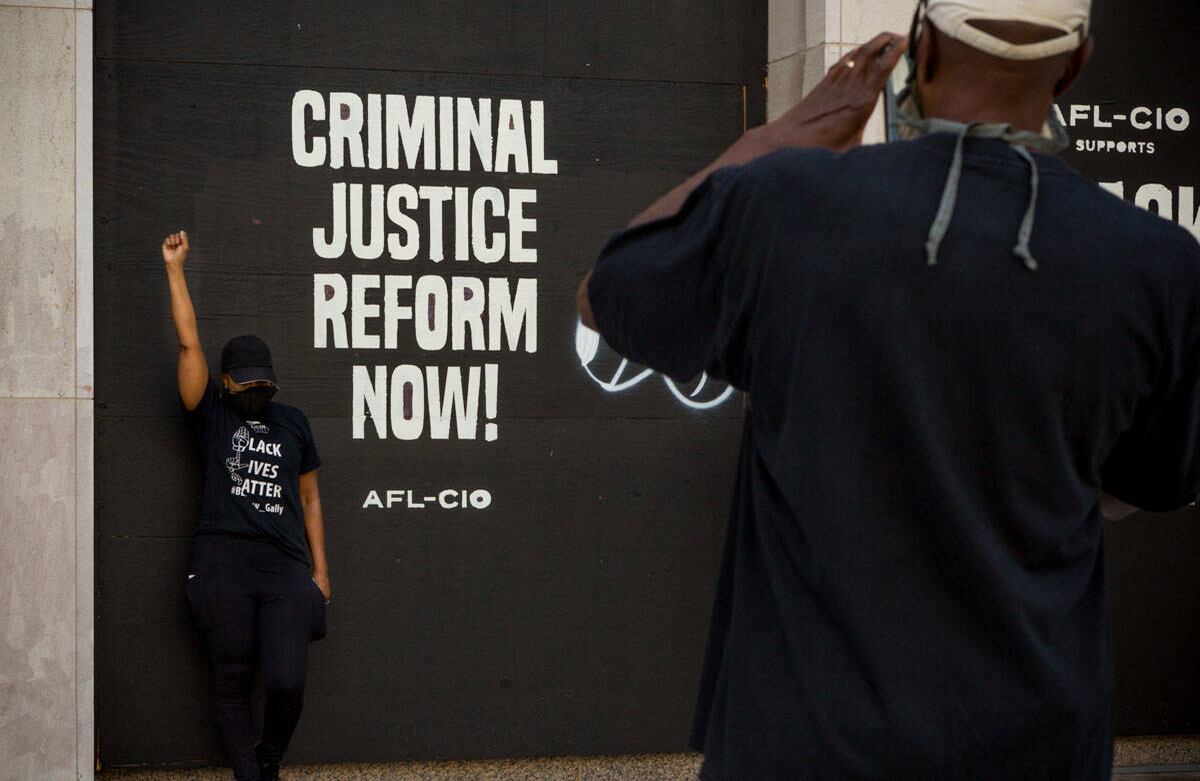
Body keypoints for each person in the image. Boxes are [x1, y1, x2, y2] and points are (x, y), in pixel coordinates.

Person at [577, 0, 1200, 778]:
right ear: (1073, 66)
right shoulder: (1156, 265)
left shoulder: (789, 208)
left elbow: (611, 292)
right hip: (1034, 745)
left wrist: (777, 139)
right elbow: (1153, 477)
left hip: (803, 746)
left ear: (923, 47)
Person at [162, 230, 331, 781]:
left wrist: (320, 573)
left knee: (286, 680)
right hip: (222, 561)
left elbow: (309, 496)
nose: (256, 389)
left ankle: (268, 759)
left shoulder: (293, 422)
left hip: (284, 564)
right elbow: (189, 344)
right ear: (227, 380)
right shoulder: (211, 413)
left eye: (265, 382)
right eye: (246, 382)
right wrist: (175, 268)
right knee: (232, 678)